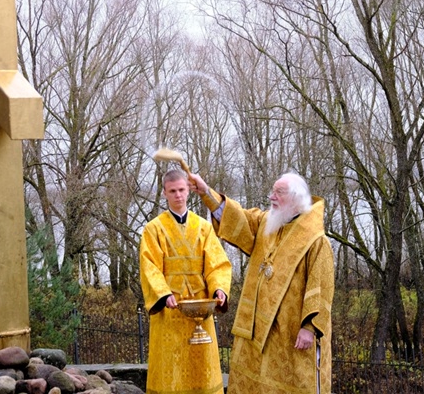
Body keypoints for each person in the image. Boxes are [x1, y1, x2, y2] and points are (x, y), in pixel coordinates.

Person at [189, 170, 334, 394]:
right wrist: (206, 192)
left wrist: (309, 328)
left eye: (279, 192)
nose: (271, 197)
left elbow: (322, 288)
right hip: (255, 329)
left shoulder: (316, 240)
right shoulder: (269, 222)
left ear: (296, 198)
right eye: (272, 191)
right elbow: (238, 219)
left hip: (291, 333)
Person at [140, 166, 232, 394]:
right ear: (164, 193)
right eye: (172, 191)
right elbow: (150, 267)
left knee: (202, 368)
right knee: (171, 369)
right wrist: (163, 293)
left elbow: (217, 264)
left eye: (181, 190)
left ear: (189, 190)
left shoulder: (204, 227)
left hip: (201, 308)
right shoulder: (153, 229)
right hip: (170, 310)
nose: (178, 195)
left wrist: (219, 289)